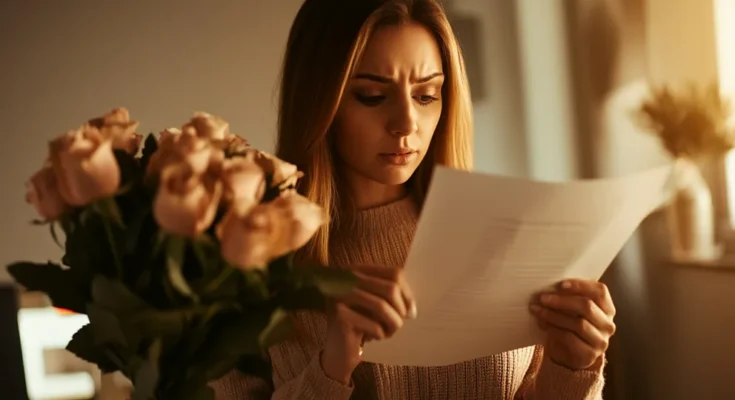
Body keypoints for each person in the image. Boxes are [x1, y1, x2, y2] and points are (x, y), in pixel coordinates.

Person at [212, 0, 617, 398]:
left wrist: (571, 370)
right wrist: (330, 370)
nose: (406, 124)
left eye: (426, 95)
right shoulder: (248, 261)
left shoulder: (501, 236)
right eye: (372, 95)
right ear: (319, 99)